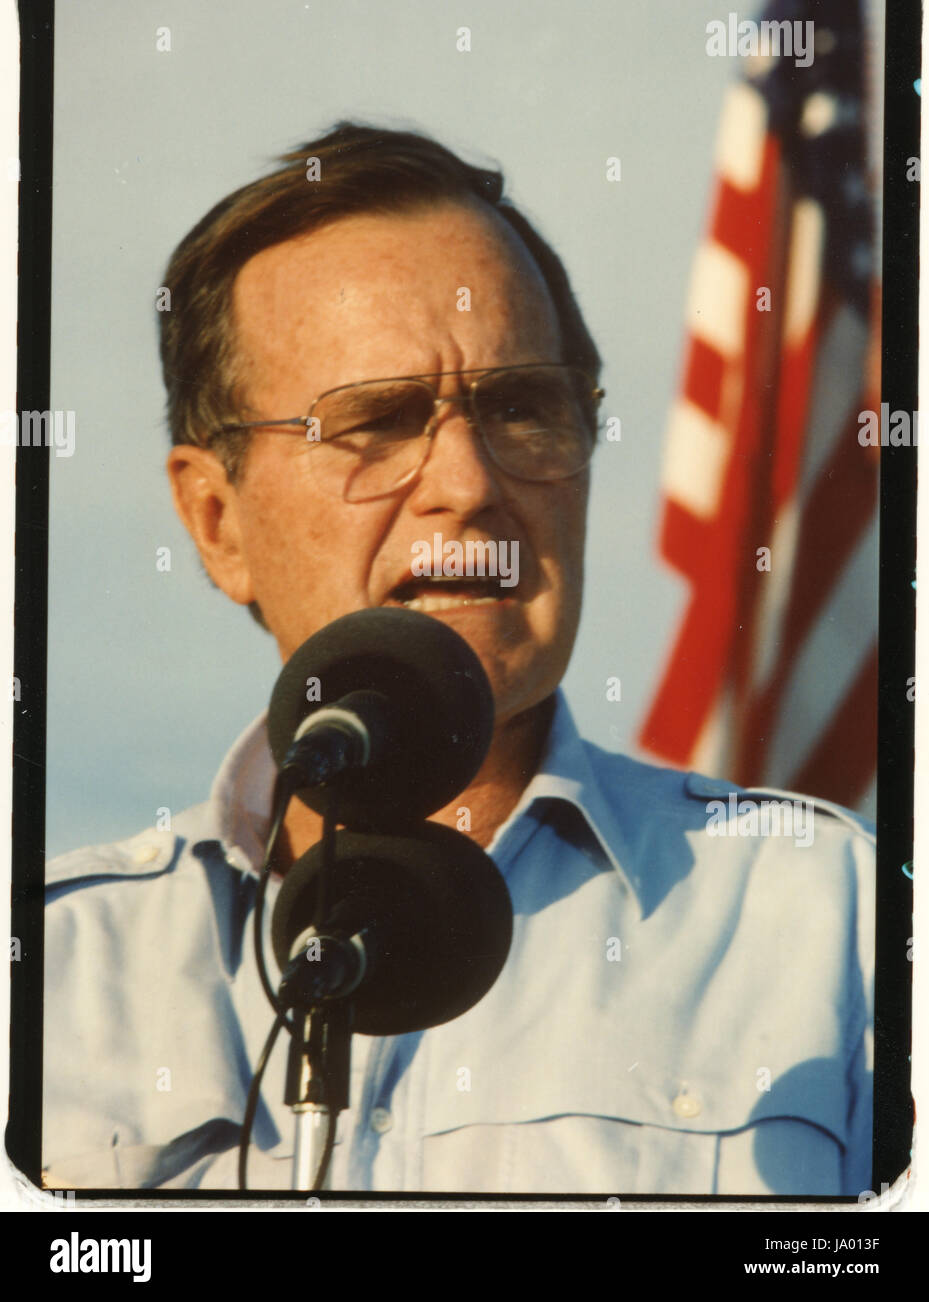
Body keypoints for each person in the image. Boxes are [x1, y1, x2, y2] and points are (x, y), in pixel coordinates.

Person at [43, 124, 874, 1195]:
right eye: (378, 422)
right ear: (214, 519)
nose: (468, 482)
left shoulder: (836, 920)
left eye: (521, 407)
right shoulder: (50, 974)